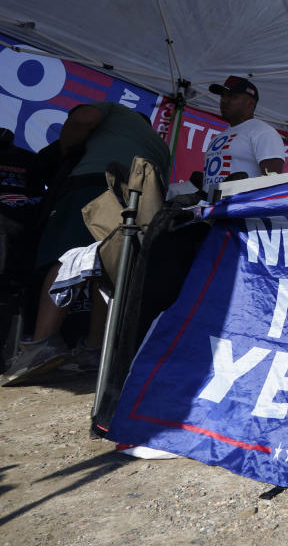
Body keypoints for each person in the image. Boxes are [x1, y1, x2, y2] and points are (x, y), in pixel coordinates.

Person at [2, 102, 170, 385]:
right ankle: (94, 349)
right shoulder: (160, 146)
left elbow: (84, 118)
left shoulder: (112, 110)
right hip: (141, 200)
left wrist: (67, 147)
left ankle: (43, 342)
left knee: (68, 256)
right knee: (108, 266)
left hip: (96, 183)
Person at [201, 76, 285, 192]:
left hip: (240, 208)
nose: (224, 100)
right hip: (210, 207)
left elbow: (272, 182)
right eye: (222, 96)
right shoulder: (218, 137)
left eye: (232, 96)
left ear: (250, 103)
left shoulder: (262, 132)